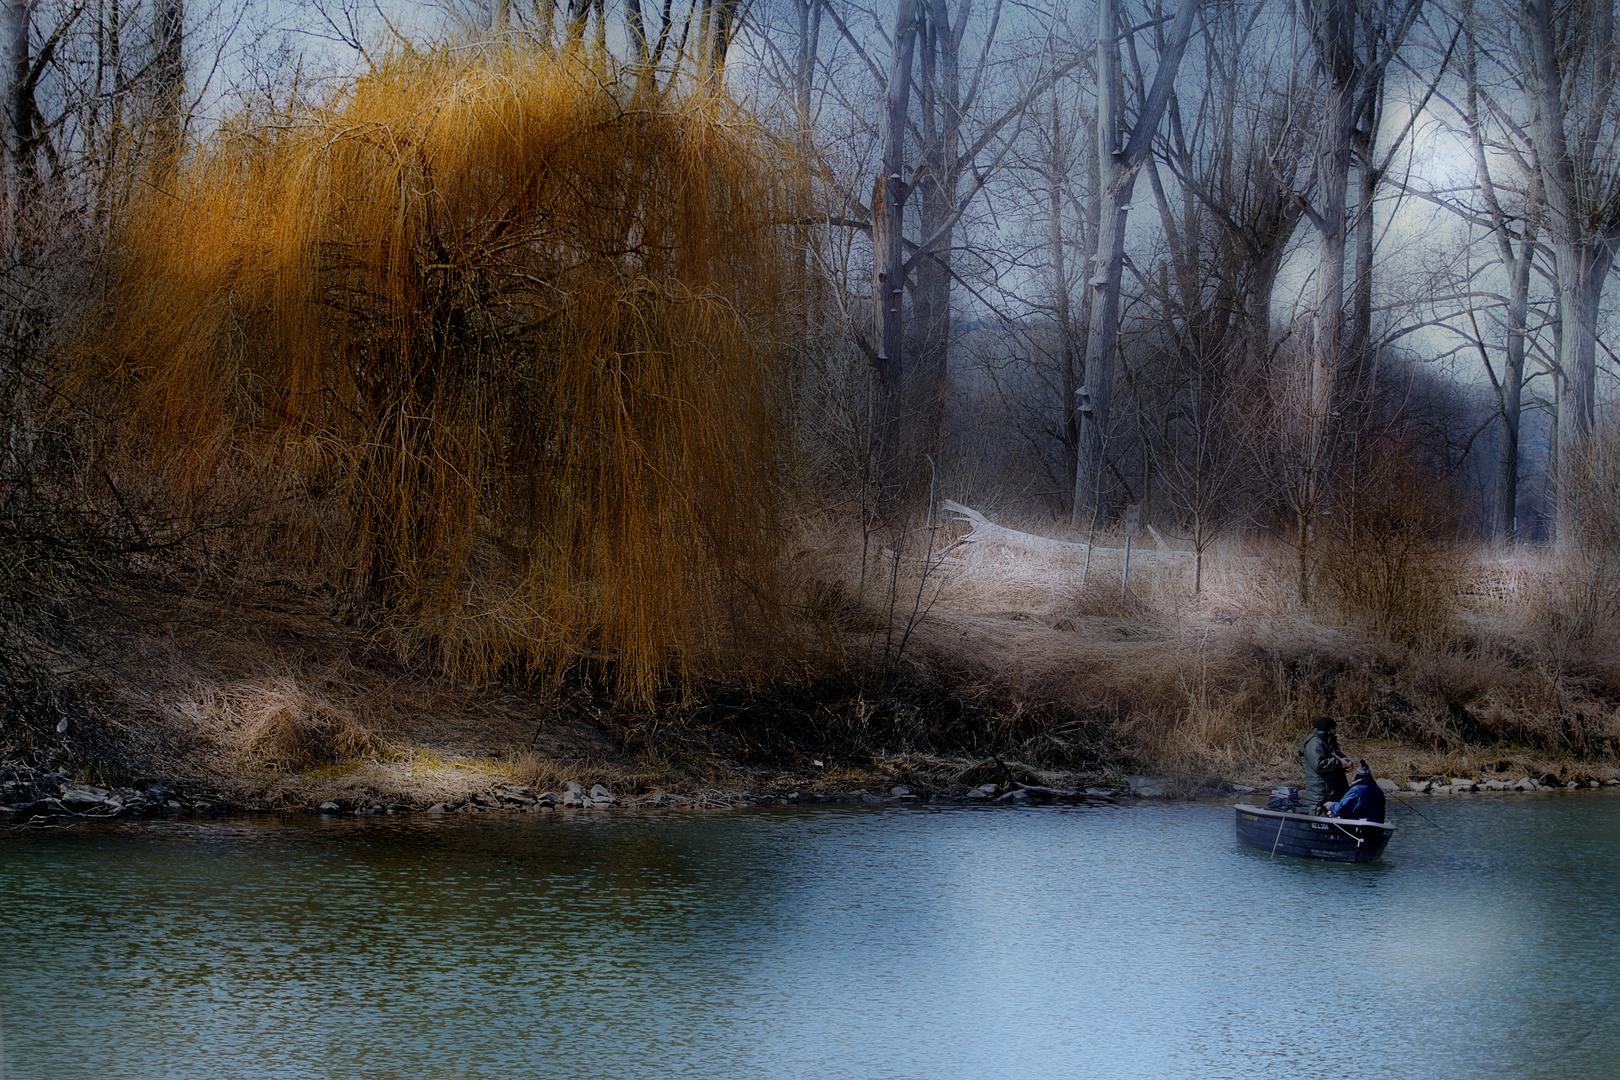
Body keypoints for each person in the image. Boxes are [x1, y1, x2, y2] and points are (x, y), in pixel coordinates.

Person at [1298, 716, 1353, 807]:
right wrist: (1339, 763)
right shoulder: (1314, 743)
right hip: (1321, 794)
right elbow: (1318, 765)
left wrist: (1346, 764)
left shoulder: (1329, 742)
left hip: (1333, 793)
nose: (1336, 731)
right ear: (1327, 729)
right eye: (1334, 729)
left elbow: (1339, 758)